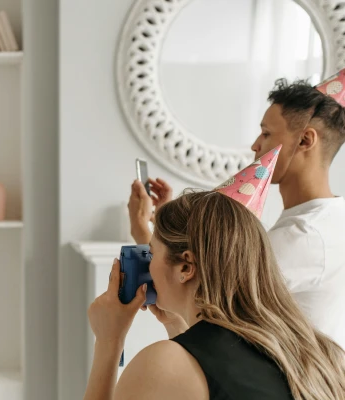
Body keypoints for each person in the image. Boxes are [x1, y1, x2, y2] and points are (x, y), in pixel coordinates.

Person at [76, 190, 345, 400]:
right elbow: (225, 399)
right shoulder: (316, 349)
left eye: (152, 251)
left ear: (186, 266)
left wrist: (109, 340)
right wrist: (181, 330)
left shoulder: (166, 363)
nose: (147, 262)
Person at [129, 76, 345, 348]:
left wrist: (142, 230)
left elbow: (193, 293)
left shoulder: (303, 235)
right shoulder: (332, 217)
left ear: (305, 140)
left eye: (266, 133)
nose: (256, 145)